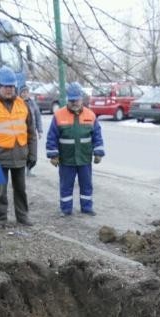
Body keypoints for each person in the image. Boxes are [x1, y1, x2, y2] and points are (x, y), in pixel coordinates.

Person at [0, 67, 37, 229]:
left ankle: (22, 217)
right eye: (5, 86)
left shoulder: (23, 105)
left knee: (20, 189)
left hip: (20, 156)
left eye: (11, 86)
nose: (9, 90)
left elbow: (31, 131)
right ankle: (1, 219)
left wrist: (32, 154)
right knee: (0, 190)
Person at [46, 82, 105, 216]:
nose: (74, 103)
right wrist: (53, 155)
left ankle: (87, 208)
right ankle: (66, 209)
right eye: (71, 100)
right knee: (66, 186)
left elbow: (97, 135)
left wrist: (98, 152)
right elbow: (52, 137)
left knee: (86, 185)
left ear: (81, 99)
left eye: (76, 100)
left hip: (84, 158)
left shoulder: (90, 115)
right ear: (68, 99)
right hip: (67, 160)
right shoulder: (59, 115)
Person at [19, 84, 43, 177]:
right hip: (21, 132)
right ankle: (22, 170)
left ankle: (29, 169)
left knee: (33, 152)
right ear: (20, 93)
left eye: (26, 92)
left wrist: (39, 131)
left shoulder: (33, 103)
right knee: (23, 152)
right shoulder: (17, 103)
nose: (25, 94)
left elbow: (38, 117)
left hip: (32, 132)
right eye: (23, 92)